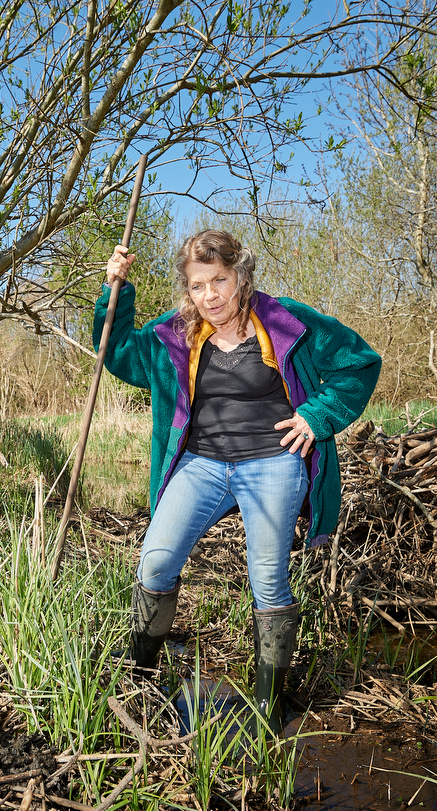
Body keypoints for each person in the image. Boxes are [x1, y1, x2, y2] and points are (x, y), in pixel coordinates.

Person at [96, 229, 380, 729]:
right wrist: (115, 292)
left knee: (267, 578)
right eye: (198, 286)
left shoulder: (287, 321)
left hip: (273, 461)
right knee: (155, 562)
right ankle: (139, 681)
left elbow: (358, 364)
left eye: (220, 281)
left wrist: (317, 416)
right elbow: (115, 351)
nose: (210, 296)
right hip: (201, 463)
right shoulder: (176, 334)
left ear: (241, 276)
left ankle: (270, 705)